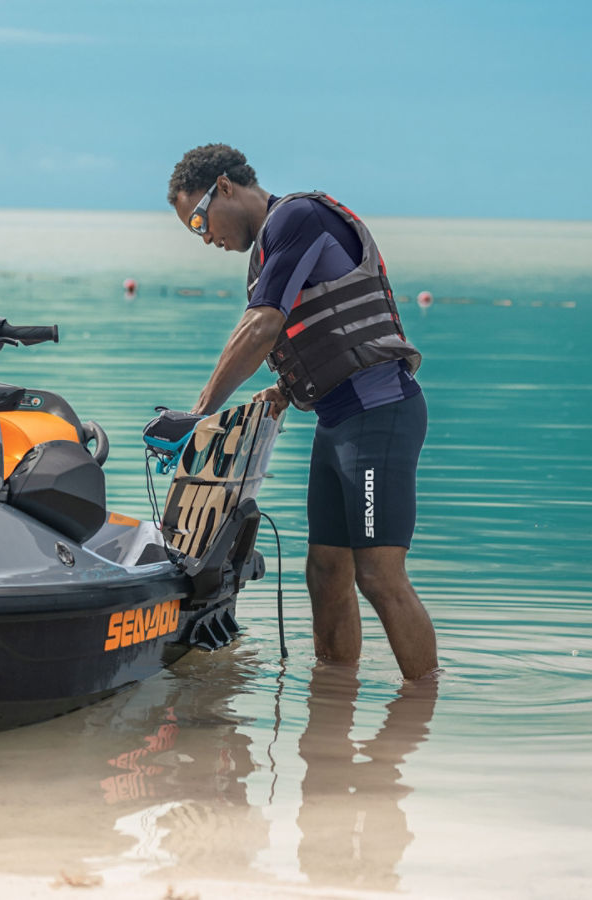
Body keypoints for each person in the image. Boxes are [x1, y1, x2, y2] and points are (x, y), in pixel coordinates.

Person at [165, 143, 440, 680]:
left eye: (201, 219)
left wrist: (199, 413)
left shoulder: (297, 216)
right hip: (338, 421)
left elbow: (263, 324)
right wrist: (286, 389)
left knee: (379, 576)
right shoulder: (266, 249)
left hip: (379, 415)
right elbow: (319, 334)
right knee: (324, 570)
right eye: (194, 231)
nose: (206, 237)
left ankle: (422, 708)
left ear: (225, 187)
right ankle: (332, 707)